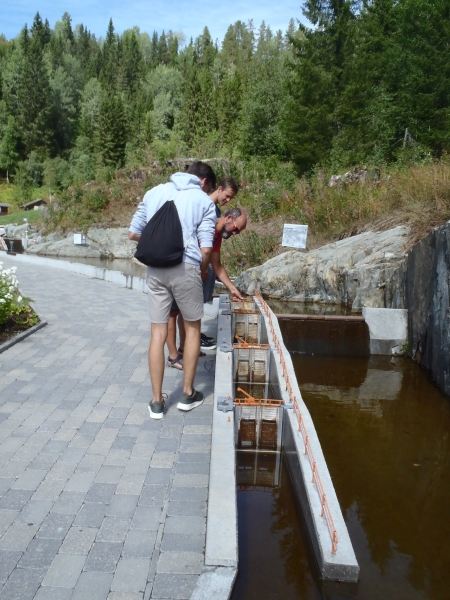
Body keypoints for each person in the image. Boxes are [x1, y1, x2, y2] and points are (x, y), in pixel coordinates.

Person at [128, 161, 216, 419]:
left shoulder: (154, 192)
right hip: (186, 267)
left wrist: (160, 242)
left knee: (157, 332)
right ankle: (187, 394)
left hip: (155, 269)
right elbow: (207, 249)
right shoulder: (203, 201)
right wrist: (201, 270)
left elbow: (133, 232)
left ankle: (156, 402)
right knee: (192, 328)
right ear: (202, 182)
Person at [166, 206, 247, 370]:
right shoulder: (205, 224)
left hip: (192, 277)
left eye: (238, 232)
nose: (235, 234)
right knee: (172, 313)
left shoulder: (218, 236)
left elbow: (216, 264)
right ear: (229, 218)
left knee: (185, 312)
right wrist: (201, 269)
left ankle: (186, 348)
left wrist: (232, 288)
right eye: (236, 229)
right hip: (179, 270)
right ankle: (173, 356)